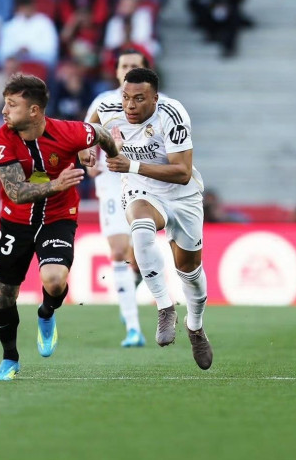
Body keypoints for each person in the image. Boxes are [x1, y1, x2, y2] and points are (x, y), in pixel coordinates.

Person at [0, 73, 116, 381]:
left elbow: (101, 133)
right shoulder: (1, 138)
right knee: (4, 294)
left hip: (58, 217)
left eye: (12, 104)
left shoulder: (69, 132)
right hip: (16, 221)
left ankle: (46, 312)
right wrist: (56, 184)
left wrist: (114, 160)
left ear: (34, 110)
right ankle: (10, 358)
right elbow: (16, 192)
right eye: (5, 103)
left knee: (55, 281)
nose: (4, 111)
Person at [90, 68, 213, 370]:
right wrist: (86, 150)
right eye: (126, 98)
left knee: (189, 272)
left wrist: (131, 165)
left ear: (155, 98)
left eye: (139, 99)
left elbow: (182, 172)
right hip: (141, 190)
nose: (130, 106)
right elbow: (88, 126)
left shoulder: (172, 114)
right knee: (141, 229)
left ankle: (195, 327)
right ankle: (164, 307)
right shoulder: (109, 108)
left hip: (182, 195)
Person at [85, 49, 150, 347]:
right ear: (116, 71)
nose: (128, 70)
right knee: (119, 250)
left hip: (145, 180)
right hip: (112, 180)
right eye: (124, 65)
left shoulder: (159, 105)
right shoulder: (103, 102)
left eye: (134, 66)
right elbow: (86, 134)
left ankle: (129, 293)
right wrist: (88, 156)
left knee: (140, 255)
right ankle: (133, 328)